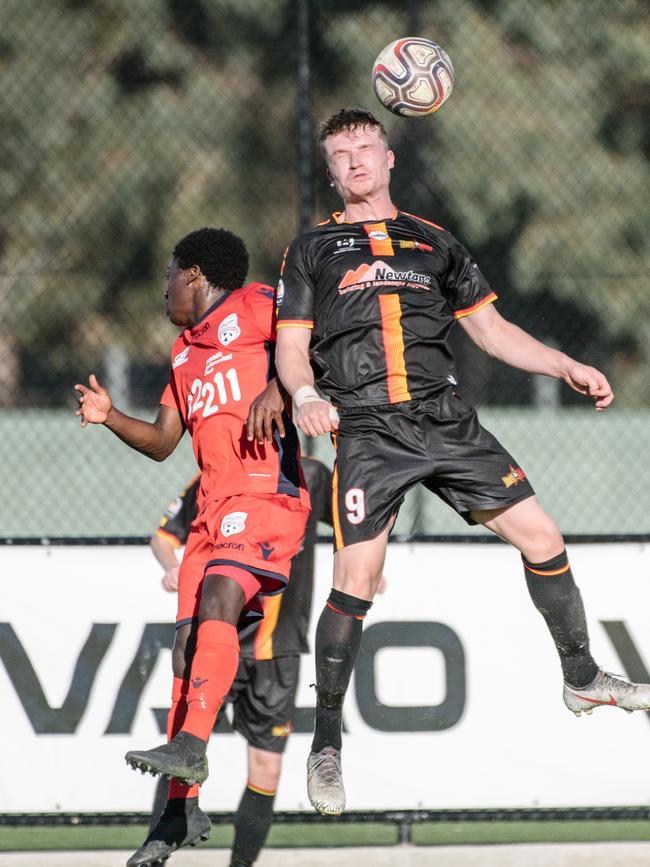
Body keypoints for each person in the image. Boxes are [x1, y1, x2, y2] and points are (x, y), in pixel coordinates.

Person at [274, 107, 650, 816]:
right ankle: (326, 744)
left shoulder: (435, 243)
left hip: (444, 420)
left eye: (365, 147)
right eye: (340, 153)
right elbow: (291, 344)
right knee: (356, 577)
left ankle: (582, 674)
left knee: (544, 537)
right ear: (329, 171)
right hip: (369, 430)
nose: (354, 161)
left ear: (389, 159)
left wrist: (564, 363)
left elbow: (493, 331)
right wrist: (302, 394)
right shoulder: (312, 249)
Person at [75, 227, 310, 866]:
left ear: (197, 274)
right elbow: (161, 440)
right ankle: (180, 809)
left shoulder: (261, 304)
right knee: (185, 651)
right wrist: (108, 416)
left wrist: (281, 389)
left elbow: (321, 346)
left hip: (266, 495)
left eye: (171, 273)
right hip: (209, 513)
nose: (166, 287)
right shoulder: (184, 352)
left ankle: (187, 751)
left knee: (224, 601)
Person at [149, 457, 332, 866]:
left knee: (266, 770)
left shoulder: (312, 475)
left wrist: (362, 564)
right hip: (216, 640)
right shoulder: (215, 474)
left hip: (277, 649)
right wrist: (173, 568)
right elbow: (163, 538)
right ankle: (157, 852)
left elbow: (352, 518)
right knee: (183, 756)